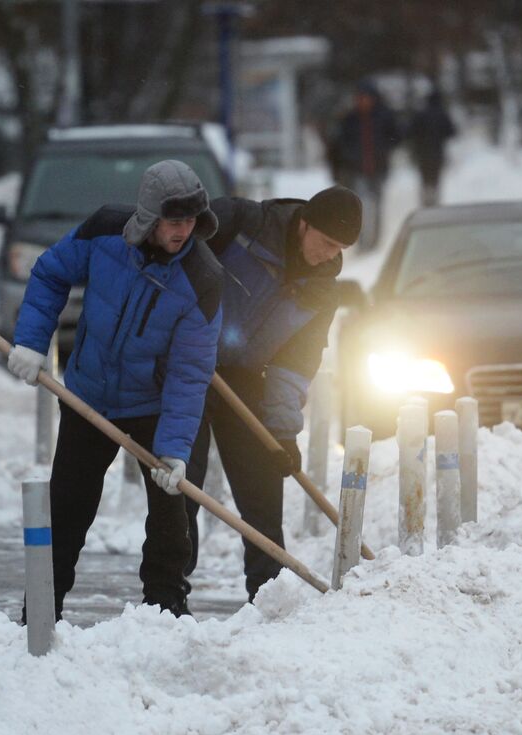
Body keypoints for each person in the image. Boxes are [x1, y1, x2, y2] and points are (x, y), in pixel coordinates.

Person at [7, 159, 223, 620]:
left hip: (156, 406)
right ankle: (41, 611)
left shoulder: (202, 279)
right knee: (68, 508)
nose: (183, 230)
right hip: (90, 396)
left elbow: (190, 373)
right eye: (173, 220)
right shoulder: (105, 232)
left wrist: (174, 450)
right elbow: (50, 272)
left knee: (173, 516)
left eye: (190, 220)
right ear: (148, 215)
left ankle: (164, 612)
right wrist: (31, 341)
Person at [184, 186, 361, 600]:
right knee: (184, 486)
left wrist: (282, 432)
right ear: (304, 224)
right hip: (188, 366)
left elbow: (294, 365)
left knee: (262, 487)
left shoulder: (322, 290)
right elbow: (177, 266)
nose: (330, 255)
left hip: (244, 377)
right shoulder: (243, 224)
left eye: (339, 249)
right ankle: (167, 598)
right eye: (326, 242)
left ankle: (268, 597)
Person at [326, 82, 403, 251]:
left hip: (378, 168)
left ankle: (375, 241)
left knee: (376, 205)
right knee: (359, 207)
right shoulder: (350, 119)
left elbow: (396, 136)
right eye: (359, 98)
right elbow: (339, 143)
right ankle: (361, 241)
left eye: (365, 97)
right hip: (356, 169)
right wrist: (346, 160)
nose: (362, 101)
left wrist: (384, 149)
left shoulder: (384, 116)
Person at [409, 90, 456, 207]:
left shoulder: (421, 114)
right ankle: (434, 202)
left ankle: (426, 202)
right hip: (436, 153)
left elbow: (411, 132)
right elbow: (451, 131)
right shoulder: (442, 114)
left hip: (422, 154)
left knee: (425, 179)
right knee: (435, 179)